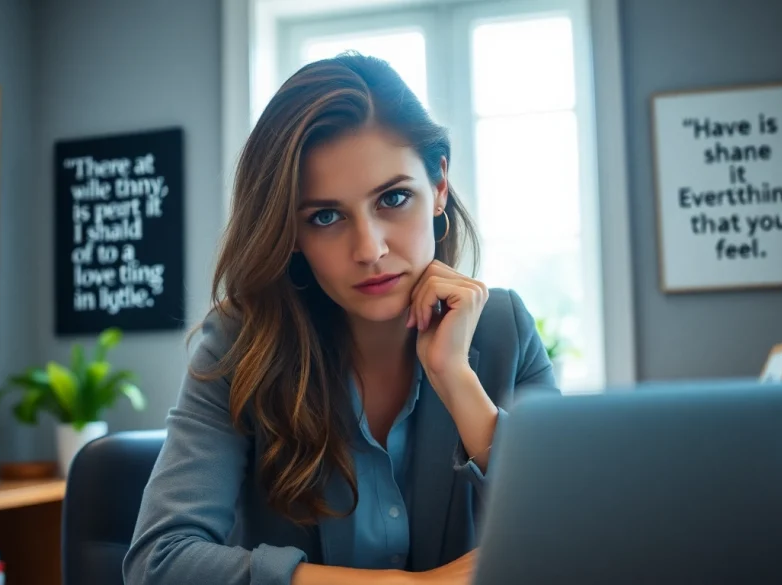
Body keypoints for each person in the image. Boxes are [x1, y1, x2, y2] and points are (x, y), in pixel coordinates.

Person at [122, 52, 558, 585]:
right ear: (291, 232)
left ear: (439, 186)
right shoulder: (239, 345)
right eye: (325, 216)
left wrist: (456, 379)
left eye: (394, 198)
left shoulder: (505, 330)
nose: (369, 249)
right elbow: (159, 562)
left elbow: (573, 539)